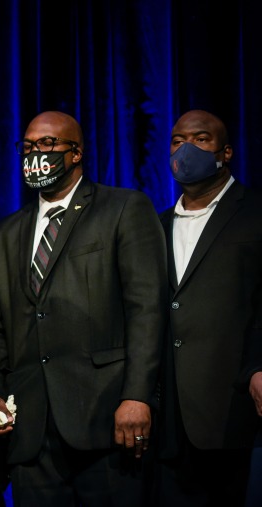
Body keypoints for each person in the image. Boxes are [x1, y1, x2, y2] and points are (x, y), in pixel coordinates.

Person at [0, 111, 167, 506]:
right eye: (27, 147)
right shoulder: (4, 234)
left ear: (76, 153)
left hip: (106, 422)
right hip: (31, 431)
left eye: (47, 145)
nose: (36, 155)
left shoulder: (123, 209)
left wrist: (138, 396)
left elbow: (146, 309)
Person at [154, 109, 262, 506]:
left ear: (226, 152)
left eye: (201, 139)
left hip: (235, 413)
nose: (186, 148)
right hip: (168, 423)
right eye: (178, 140)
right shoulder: (154, 225)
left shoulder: (255, 214)